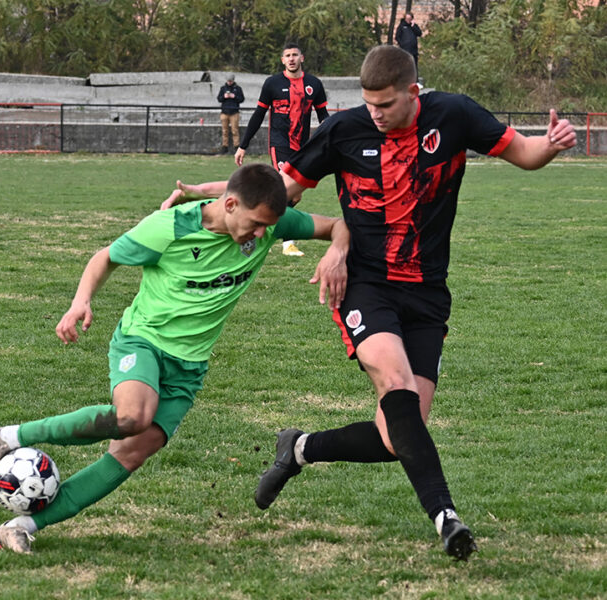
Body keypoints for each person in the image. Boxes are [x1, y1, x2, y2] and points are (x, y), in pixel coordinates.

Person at [172, 45, 578, 561]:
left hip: (428, 292)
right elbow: (278, 191)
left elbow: (525, 153)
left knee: (397, 436)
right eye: (369, 104)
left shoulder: (453, 115)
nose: (376, 114)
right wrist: (207, 199)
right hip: (365, 285)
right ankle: (445, 517)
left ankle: (299, 448)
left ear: (412, 93)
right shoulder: (345, 130)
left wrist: (552, 144)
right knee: (394, 381)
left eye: (386, 104)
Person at [0, 163, 349, 554]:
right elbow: (106, 257)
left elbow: (338, 225)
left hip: (190, 367)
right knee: (133, 416)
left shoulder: (271, 224)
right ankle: (6, 437)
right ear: (230, 204)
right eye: (256, 224)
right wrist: (80, 301)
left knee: (132, 452)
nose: (262, 234)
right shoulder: (169, 228)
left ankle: (20, 526)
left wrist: (336, 251)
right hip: (143, 341)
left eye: (269, 226)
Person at [235, 42, 329, 257]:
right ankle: (286, 243)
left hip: (302, 147)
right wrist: (243, 146)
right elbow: (258, 115)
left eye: (295, 54)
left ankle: (251, 224)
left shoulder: (314, 84)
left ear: (302, 58)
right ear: (282, 60)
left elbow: (324, 117)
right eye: (287, 55)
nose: (291, 58)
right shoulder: (272, 84)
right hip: (280, 145)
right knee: (284, 191)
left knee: (293, 196)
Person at [217, 74, 245, 154]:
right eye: (228, 81)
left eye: (230, 81)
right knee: (224, 130)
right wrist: (224, 96)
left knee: (235, 130)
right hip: (224, 112)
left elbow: (242, 99)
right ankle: (224, 146)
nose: (229, 82)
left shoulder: (238, 89)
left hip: (234, 112)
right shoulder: (223, 88)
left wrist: (234, 96)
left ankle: (236, 146)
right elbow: (219, 99)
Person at [395, 12, 422, 78]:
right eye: (407, 19)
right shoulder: (401, 26)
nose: (408, 20)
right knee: (405, 65)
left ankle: (415, 80)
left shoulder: (414, 26)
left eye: (409, 19)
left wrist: (413, 26)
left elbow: (419, 33)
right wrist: (402, 44)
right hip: (405, 50)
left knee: (414, 65)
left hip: (413, 50)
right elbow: (397, 37)